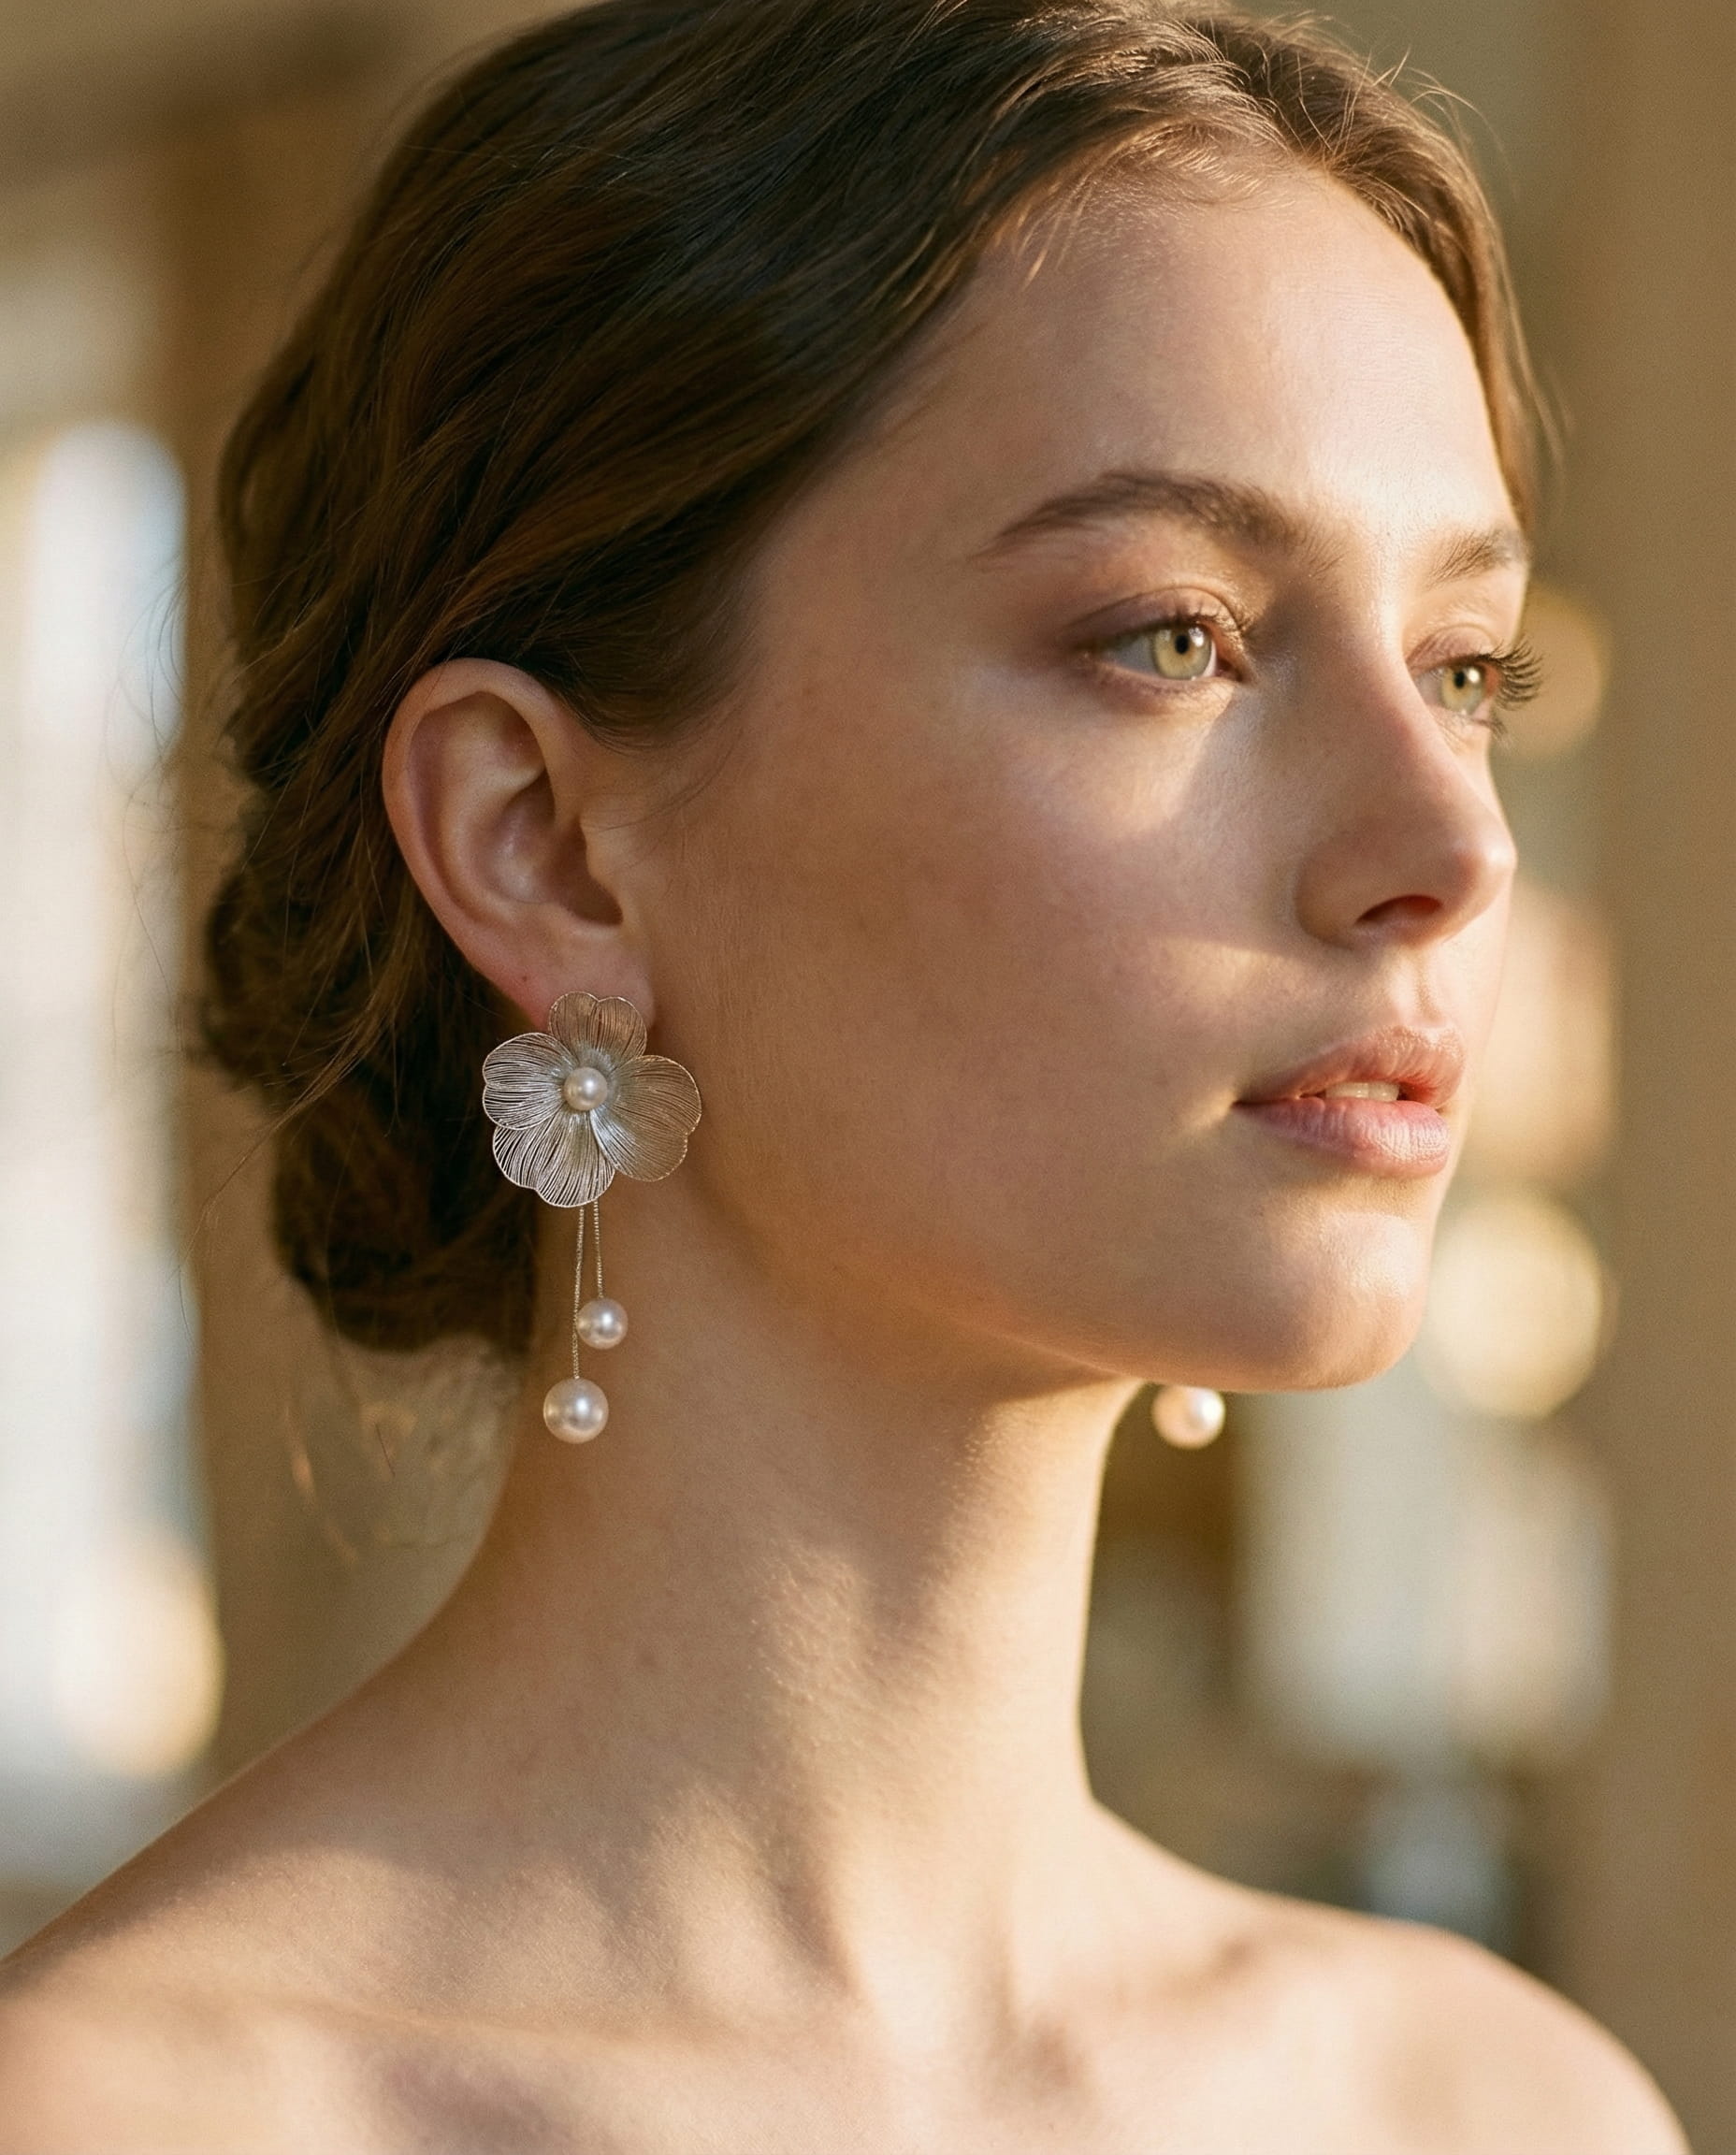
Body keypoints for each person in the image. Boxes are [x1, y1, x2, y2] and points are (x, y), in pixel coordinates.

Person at [0, 2, 1689, 2146]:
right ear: (541, 842)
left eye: (1465, 669)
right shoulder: (124, 2117)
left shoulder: (1497, 2111)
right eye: (1168, 635)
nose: (1451, 847)